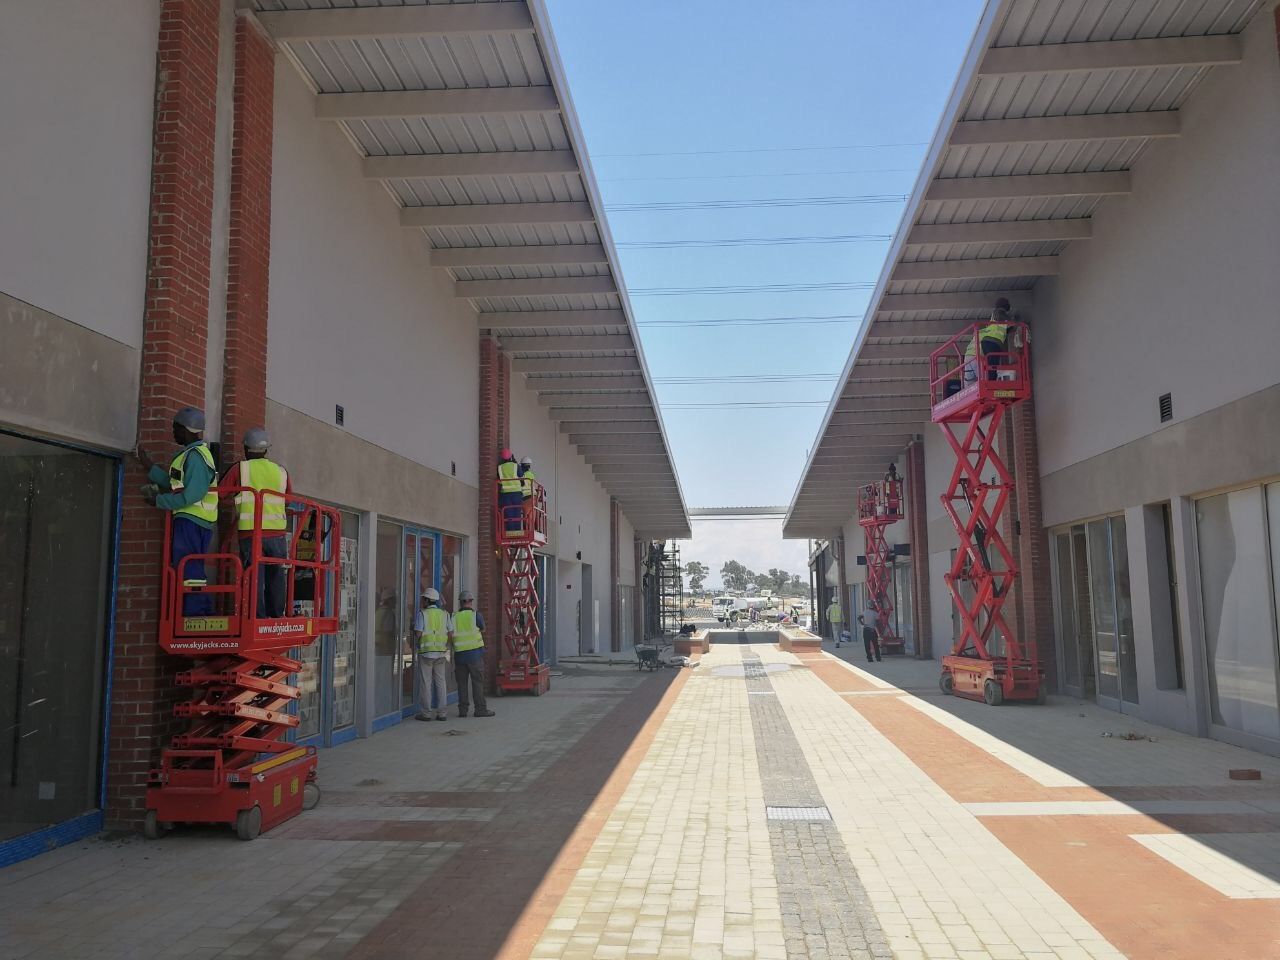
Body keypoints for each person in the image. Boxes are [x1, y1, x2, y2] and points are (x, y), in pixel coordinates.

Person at [136, 407, 218, 616]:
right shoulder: (189, 455)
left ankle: (195, 613)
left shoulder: (196, 457)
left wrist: (159, 501)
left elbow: (191, 495)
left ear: (186, 429)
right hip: (191, 520)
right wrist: (148, 465)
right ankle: (194, 611)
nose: (173, 432)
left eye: (176, 428)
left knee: (189, 568)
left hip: (192, 520)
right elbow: (174, 484)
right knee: (187, 567)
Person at [225, 426, 291, 618]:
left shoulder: (240, 469)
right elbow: (287, 500)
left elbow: (221, 493)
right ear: (266, 449)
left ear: (246, 448)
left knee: (254, 575)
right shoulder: (281, 471)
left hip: (251, 533)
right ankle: (276, 615)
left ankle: (256, 617)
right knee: (276, 575)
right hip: (277, 535)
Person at [451, 590, 495, 718]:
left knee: (462, 684)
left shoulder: (453, 617)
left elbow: (451, 633)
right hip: (475, 655)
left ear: (460, 602)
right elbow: (483, 629)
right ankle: (480, 709)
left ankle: (463, 710)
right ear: (470, 601)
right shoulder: (476, 615)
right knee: (477, 683)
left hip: (460, 656)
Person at [413, 587, 450, 721]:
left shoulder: (422, 614)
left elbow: (418, 633)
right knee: (441, 682)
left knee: (426, 683)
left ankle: (426, 713)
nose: (422, 601)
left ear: (427, 600)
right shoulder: (445, 614)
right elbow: (450, 632)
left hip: (426, 653)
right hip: (440, 653)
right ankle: (442, 713)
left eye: (423, 599)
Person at [497, 449, 523, 535]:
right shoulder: (515, 466)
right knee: (517, 513)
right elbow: (521, 475)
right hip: (516, 493)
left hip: (505, 494)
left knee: (509, 514)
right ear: (511, 456)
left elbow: (499, 479)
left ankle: (510, 532)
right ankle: (517, 532)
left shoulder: (500, 467)